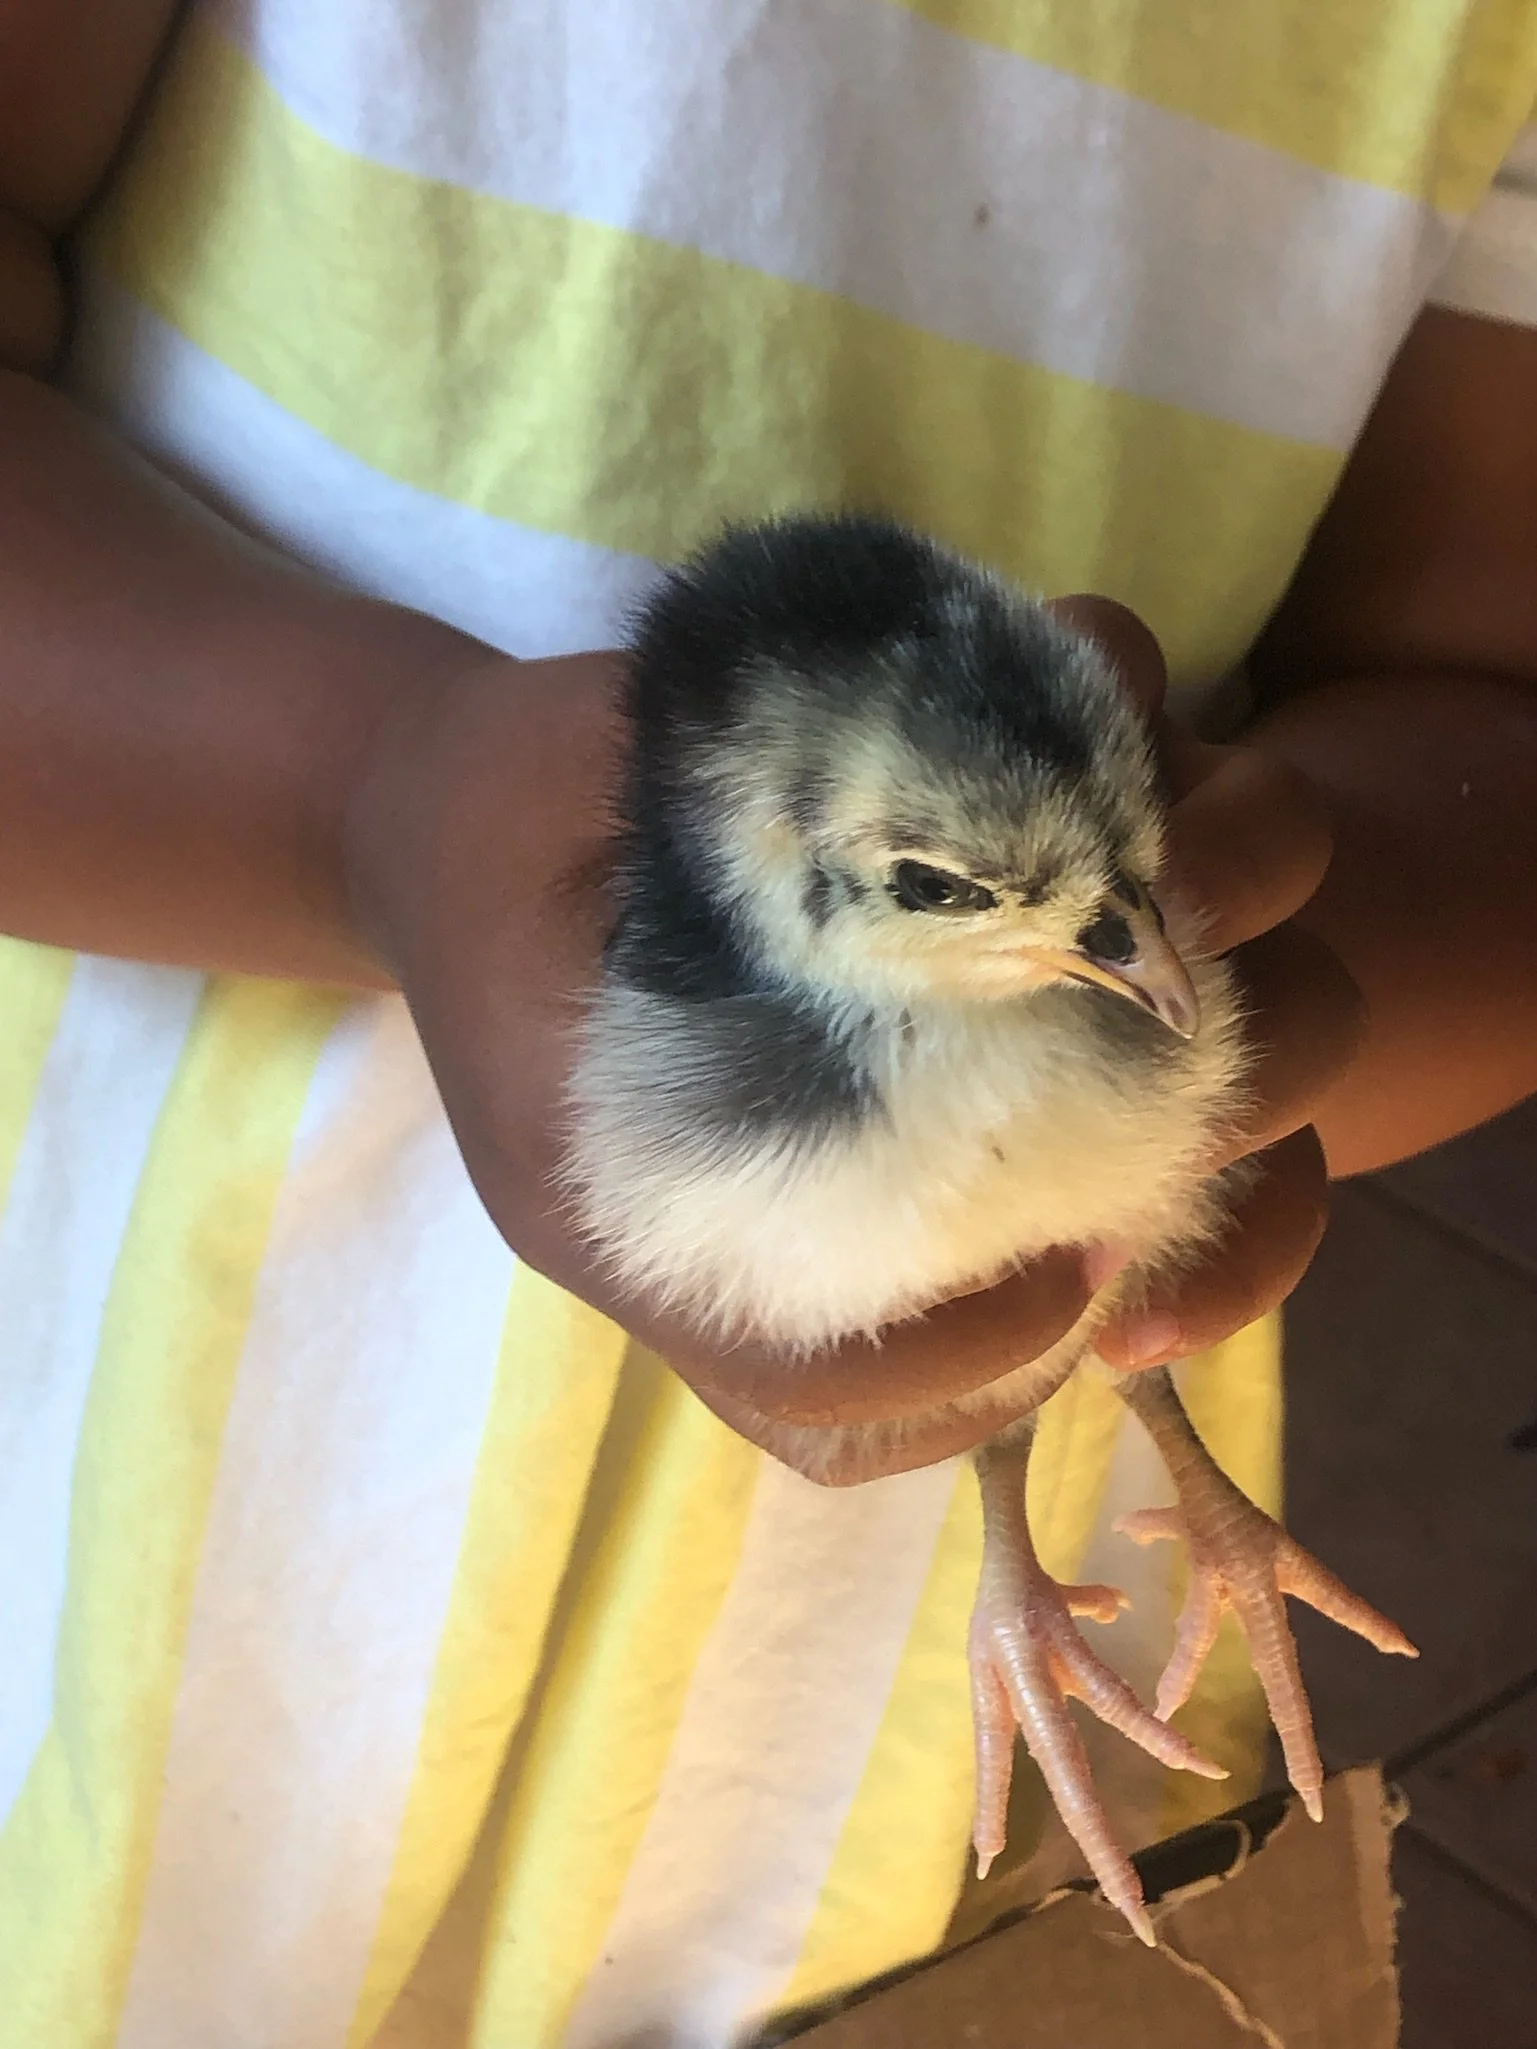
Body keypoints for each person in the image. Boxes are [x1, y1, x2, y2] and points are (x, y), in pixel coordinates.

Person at [1, 3, 1535, 2043]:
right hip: (234, 1339)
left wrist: (1240, 1054)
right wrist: (368, 798)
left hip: (866, 1676)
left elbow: (1484, 695)